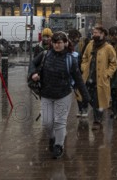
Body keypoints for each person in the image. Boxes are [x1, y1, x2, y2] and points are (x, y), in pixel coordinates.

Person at [29, 31, 90, 159]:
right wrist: (33, 73)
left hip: (63, 94)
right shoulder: (45, 54)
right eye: (55, 42)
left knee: (59, 122)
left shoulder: (70, 59)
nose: (57, 45)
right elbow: (32, 63)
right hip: (46, 94)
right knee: (46, 122)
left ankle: (59, 145)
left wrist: (86, 97)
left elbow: (78, 79)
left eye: (60, 43)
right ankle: (52, 137)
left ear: (66, 43)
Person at [81, 25, 117, 130]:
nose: (94, 34)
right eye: (94, 32)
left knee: (98, 100)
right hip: (89, 77)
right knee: (88, 98)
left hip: (101, 79)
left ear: (102, 34)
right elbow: (84, 57)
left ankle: (97, 120)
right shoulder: (90, 45)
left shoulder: (108, 47)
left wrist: (107, 73)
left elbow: (114, 63)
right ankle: (98, 113)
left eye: (96, 32)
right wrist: (84, 67)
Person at [68, 29, 89, 117]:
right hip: (75, 70)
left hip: (81, 70)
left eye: (73, 37)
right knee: (77, 91)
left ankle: (84, 108)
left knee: (82, 90)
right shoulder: (72, 45)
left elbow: (84, 56)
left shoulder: (82, 44)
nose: (73, 40)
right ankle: (81, 109)